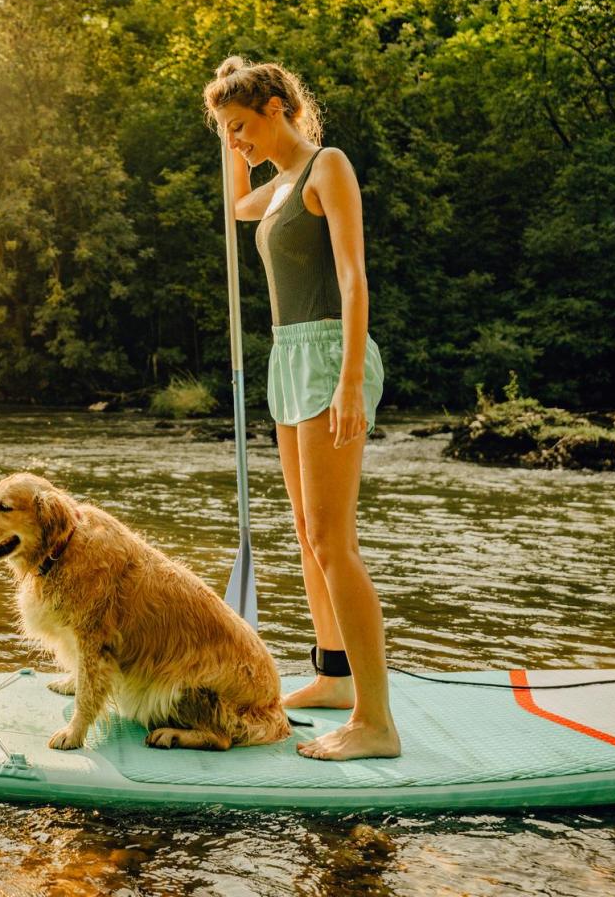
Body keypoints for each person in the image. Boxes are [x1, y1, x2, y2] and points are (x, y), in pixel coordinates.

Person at [203, 56, 399, 761]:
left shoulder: (327, 168)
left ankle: (376, 722)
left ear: (279, 105)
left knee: (332, 540)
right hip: (288, 359)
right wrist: (229, 141)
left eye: (242, 126)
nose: (238, 142)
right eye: (228, 132)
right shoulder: (279, 187)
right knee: (306, 535)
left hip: (327, 355)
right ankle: (334, 676)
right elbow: (236, 206)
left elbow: (353, 279)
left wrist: (350, 380)